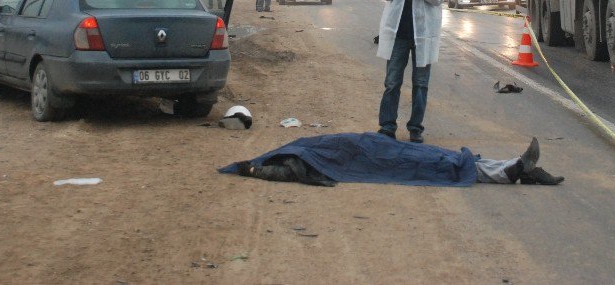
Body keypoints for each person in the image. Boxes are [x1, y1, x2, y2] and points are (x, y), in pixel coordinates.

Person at [219, 132, 563, 187]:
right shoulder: (293, 162)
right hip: (369, 160)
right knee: (436, 163)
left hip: (367, 146)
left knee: (440, 154)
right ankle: (512, 171)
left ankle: (514, 167)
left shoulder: (299, 145)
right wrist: (253, 170)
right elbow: (284, 172)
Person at [377, 0, 445, 143]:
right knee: (392, 82)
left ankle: (416, 128)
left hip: (423, 35)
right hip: (398, 33)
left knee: (421, 84)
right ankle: (387, 127)